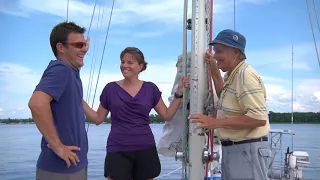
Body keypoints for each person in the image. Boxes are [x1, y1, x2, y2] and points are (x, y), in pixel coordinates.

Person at [83, 47, 190, 180]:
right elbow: (98, 119)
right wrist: (80, 100)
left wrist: (179, 93)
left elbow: (167, 115)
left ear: (141, 66)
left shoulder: (151, 89)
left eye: (130, 62)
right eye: (122, 62)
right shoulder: (110, 89)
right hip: (118, 148)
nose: (124, 66)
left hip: (145, 147)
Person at [189, 29, 271, 180]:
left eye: (219, 51)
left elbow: (258, 118)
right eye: (214, 51)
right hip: (237, 150)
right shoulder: (233, 74)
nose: (214, 55)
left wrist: (216, 122)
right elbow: (223, 95)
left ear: (235, 52)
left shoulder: (245, 75)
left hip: (246, 150)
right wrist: (214, 68)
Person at [28, 21, 90, 180]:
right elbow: (36, 104)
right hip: (60, 170)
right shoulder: (61, 69)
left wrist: (79, 48)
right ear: (61, 48)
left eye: (84, 44)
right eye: (78, 45)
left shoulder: (72, 73)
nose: (84, 48)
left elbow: (77, 56)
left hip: (74, 166)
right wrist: (57, 146)